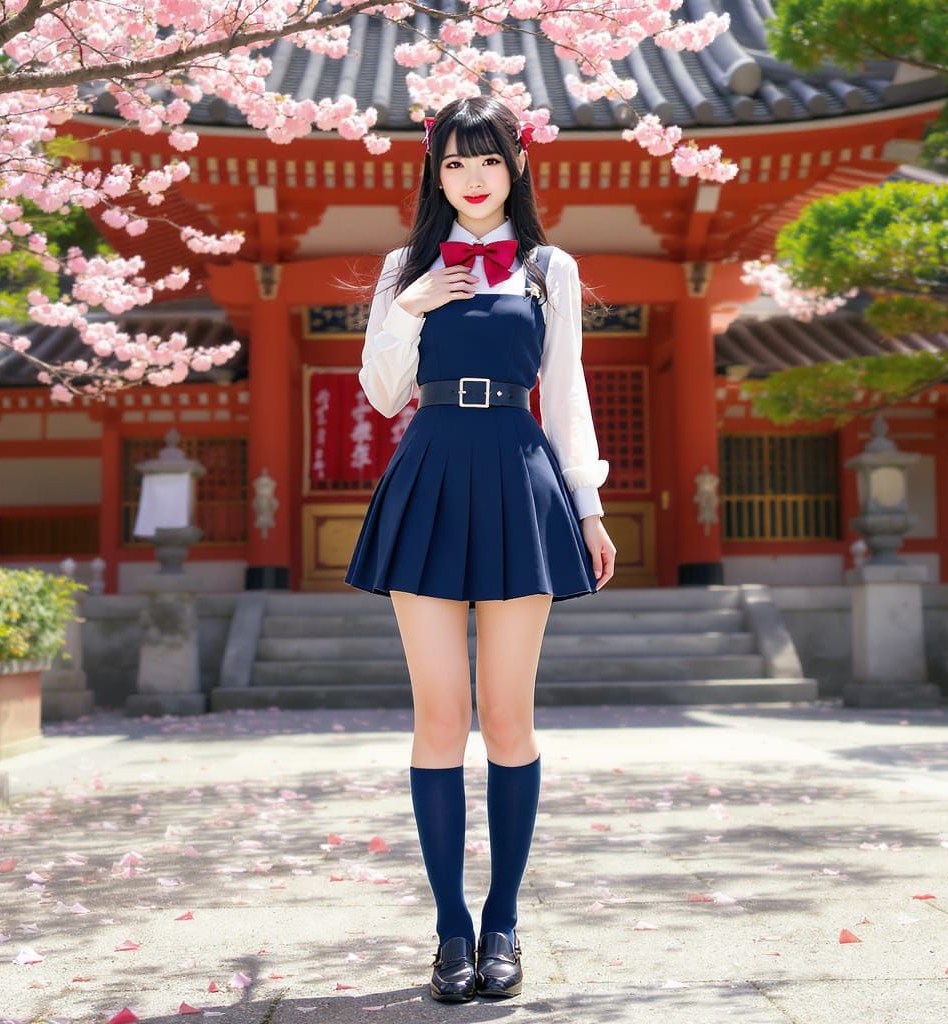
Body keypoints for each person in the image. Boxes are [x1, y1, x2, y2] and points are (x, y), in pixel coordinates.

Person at [344, 95, 616, 1002]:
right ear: (434, 171)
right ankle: (450, 933)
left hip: (516, 473)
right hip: (428, 472)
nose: (472, 179)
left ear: (518, 166)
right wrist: (413, 302)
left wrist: (589, 505)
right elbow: (383, 393)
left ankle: (503, 924)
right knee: (437, 718)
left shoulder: (548, 268)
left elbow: (567, 387)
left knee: (506, 719)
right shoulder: (400, 267)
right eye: (456, 163)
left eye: (489, 160)